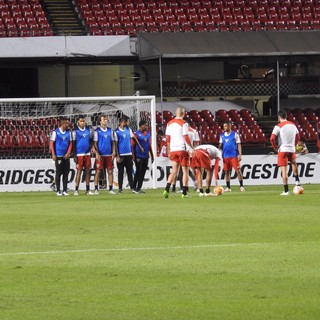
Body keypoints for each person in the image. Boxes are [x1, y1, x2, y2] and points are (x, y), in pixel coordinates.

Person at [163, 107, 193, 199]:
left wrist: (168, 151)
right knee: (185, 171)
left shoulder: (169, 123)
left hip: (173, 150)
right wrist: (192, 148)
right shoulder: (184, 123)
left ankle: (166, 189)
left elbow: (167, 139)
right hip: (182, 149)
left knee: (174, 171)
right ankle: (184, 192)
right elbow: (186, 137)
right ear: (183, 114)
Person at [270, 110, 301, 196]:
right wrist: (293, 145)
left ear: (279, 117)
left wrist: (275, 147)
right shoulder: (293, 124)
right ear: (286, 116)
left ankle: (286, 191)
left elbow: (272, 138)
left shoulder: (278, 126)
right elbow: (298, 137)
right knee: (294, 163)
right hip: (292, 149)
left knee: (284, 170)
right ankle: (297, 181)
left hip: (283, 149)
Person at [114, 116, 143, 194]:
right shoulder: (116, 132)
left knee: (130, 172)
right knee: (121, 172)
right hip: (121, 155)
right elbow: (115, 144)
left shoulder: (128, 129)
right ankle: (120, 188)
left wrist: (139, 146)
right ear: (123, 122)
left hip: (129, 154)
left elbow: (134, 138)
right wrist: (117, 156)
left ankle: (132, 188)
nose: (128, 123)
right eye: (127, 121)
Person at [218, 121, 245, 192]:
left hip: (234, 156)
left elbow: (239, 145)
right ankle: (228, 187)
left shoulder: (235, 134)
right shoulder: (222, 135)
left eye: (226, 126)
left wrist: (240, 155)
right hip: (225, 156)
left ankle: (241, 186)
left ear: (230, 126)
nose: (225, 128)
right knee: (227, 172)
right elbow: (220, 145)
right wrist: (218, 149)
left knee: (238, 171)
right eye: (224, 126)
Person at [93, 114, 116, 195]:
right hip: (100, 155)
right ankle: (96, 189)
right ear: (100, 121)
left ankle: (110, 189)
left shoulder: (110, 131)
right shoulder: (97, 131)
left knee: (110, 172)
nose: (105, 120)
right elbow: (95, 143)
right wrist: (97, 153)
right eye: (103, 119)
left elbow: (113, 142)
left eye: (106, 119)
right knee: (98, 172)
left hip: (109, 155)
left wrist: (113, 152)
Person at [50, 118, 72, 196]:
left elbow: (70, 143)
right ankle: (58, 190)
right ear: (63, 124)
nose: (68, 125)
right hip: (58, 155)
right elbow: (52, 143)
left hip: (66, 156)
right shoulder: (55, 132)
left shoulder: (69, 132)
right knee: (58, 173)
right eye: (67, 124)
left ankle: (65, 190)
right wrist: (53, 154)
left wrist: (68, 152)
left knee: (66, 173)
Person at [72, 116, 94, 196]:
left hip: (87, 154)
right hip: (79, 154)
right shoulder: (75, 131)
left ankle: (87, 190)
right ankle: (76, 190)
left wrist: (91, 147)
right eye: (81, 121)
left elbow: (91, 140)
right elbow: (73, 144)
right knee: (79, 171)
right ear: (78, 122)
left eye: (83, 121)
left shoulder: (89, 130)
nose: (82, 122)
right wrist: (74, 155)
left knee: (88, 171)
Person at [132, 120, 154, 193]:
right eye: (145, 125)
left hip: (146, 156)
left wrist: (152, 155)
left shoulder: (148, 133)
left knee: (143, 172)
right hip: (138, 155)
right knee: (138, 171)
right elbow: (132, 146)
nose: (147, 126)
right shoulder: (136, 134)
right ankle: (134, 187)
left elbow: (149, 145)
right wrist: (133, 156)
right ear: (141, 126)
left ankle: (139, 188)